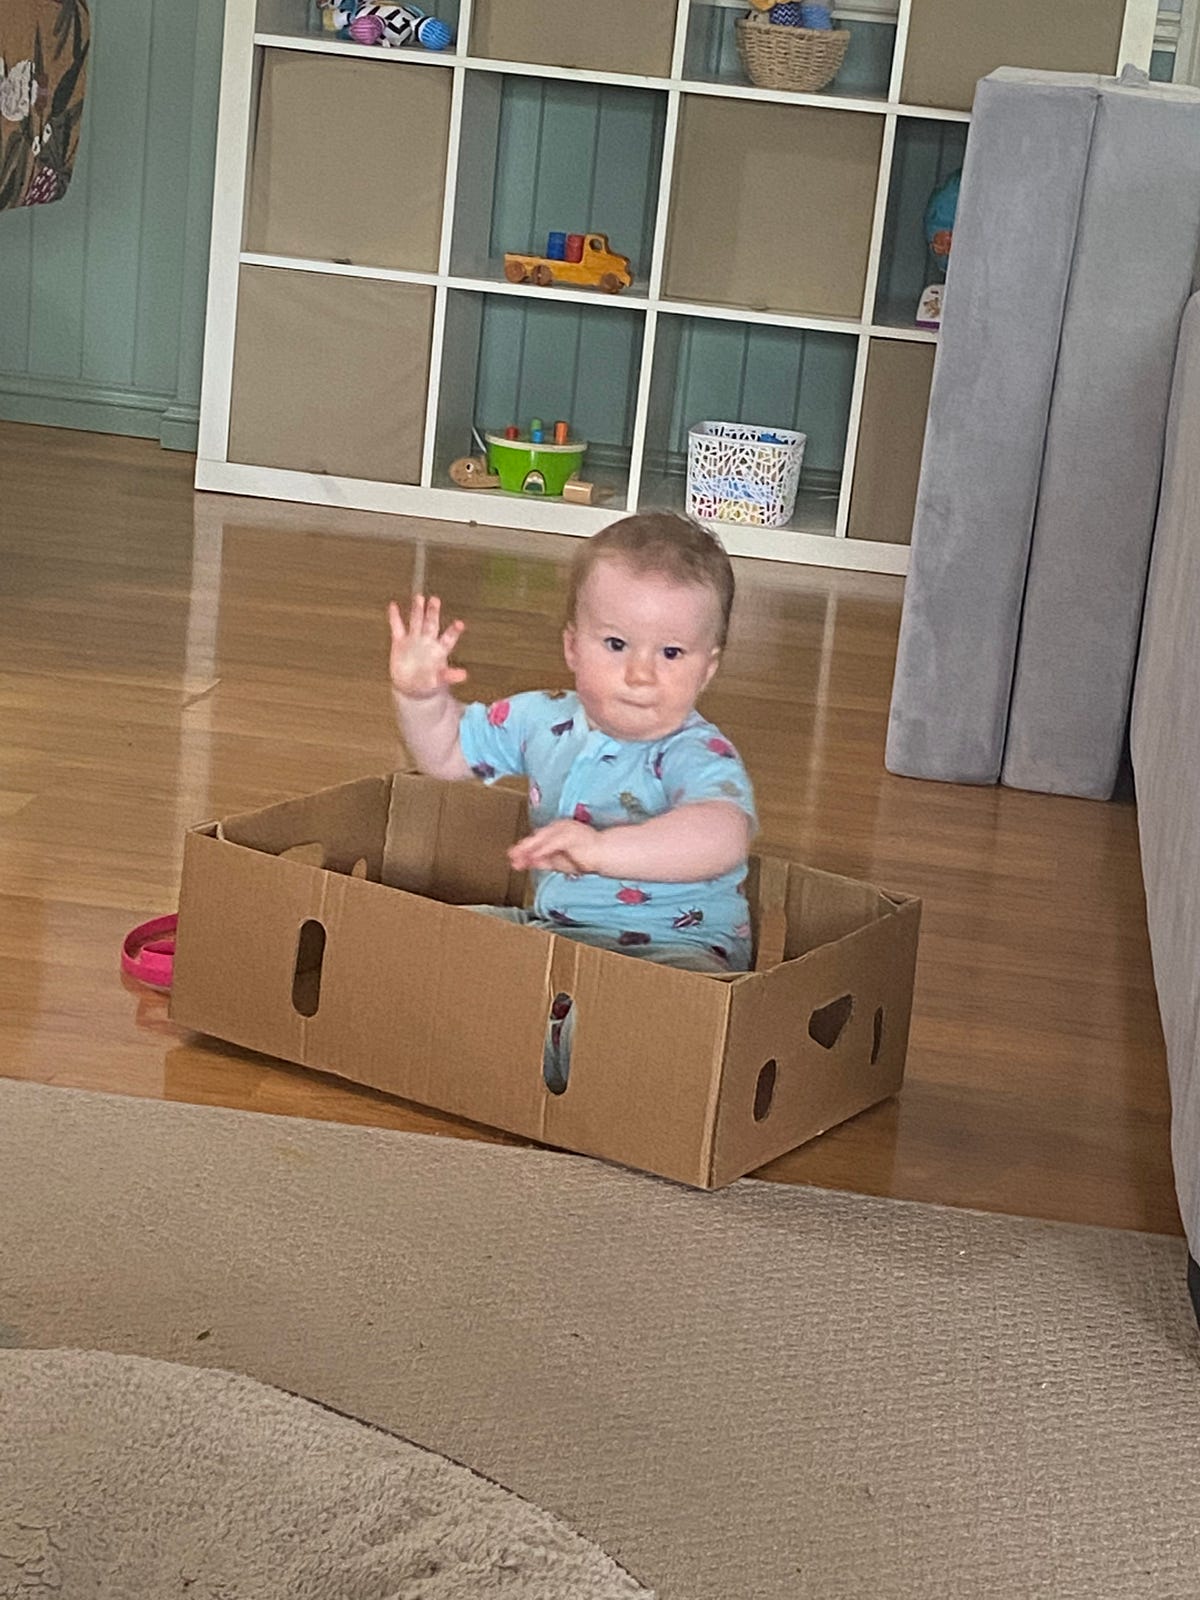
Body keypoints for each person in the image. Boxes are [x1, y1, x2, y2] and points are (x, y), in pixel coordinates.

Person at [388, 511, 757, 1086]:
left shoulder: (696, 752)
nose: (639, 674)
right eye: (615, 644)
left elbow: (723, 833)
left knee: (656, 1016)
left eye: (671, 654)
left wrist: (601, 851)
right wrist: (419, 696)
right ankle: (535, 1044)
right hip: (558, 934)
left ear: (707, 669)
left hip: (678, 953)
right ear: (572, 647)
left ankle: (557, 1059)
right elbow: (446, 758)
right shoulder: (541, 719)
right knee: (437, 939)